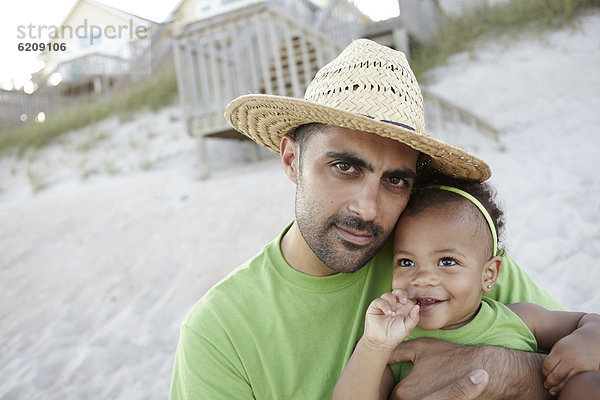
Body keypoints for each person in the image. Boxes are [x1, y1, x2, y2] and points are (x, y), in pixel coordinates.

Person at [169, 39, 567, 399]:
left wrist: (510, 372)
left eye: (395, 180)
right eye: (344, 167)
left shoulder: (446, 247)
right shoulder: (219, 332)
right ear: (292, 160)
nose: (368, 209)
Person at [333, 178, 600, 400]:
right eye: (406, 262)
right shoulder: (398, 345)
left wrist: (590, 337)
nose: (422, 278)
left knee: (587, 385)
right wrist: (373, 345)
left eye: (447, 261)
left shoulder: (522, 318)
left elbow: (585, 320)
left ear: (489, 274)